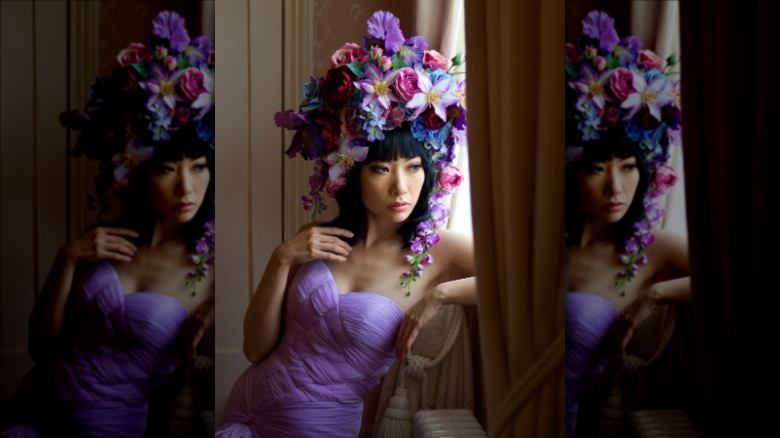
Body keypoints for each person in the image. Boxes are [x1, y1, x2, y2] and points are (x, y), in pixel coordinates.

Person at [216, 10, 475, 437]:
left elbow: (526, 278)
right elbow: (253, 348)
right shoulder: (316, 239)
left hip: (320, 426)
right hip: (244, 407)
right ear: (352, 172)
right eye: (380, 169)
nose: (401, 188)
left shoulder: (438, 250)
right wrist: (280, 259)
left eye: (413, 167)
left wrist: (442, 294)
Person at [0, 11, 215, 437]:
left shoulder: (210, 264)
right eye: (167, 169)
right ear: (139, 171)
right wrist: (66, 260)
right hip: (34, 407)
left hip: (109, 426)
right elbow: (42, 349)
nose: (186, 187)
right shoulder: (104, 238)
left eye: (200, 166)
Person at [564, 10, 690, 438]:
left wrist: (655, 293)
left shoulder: (653, 249)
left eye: (629, 167)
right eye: (597, 168)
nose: (615, 187)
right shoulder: (541, 242)